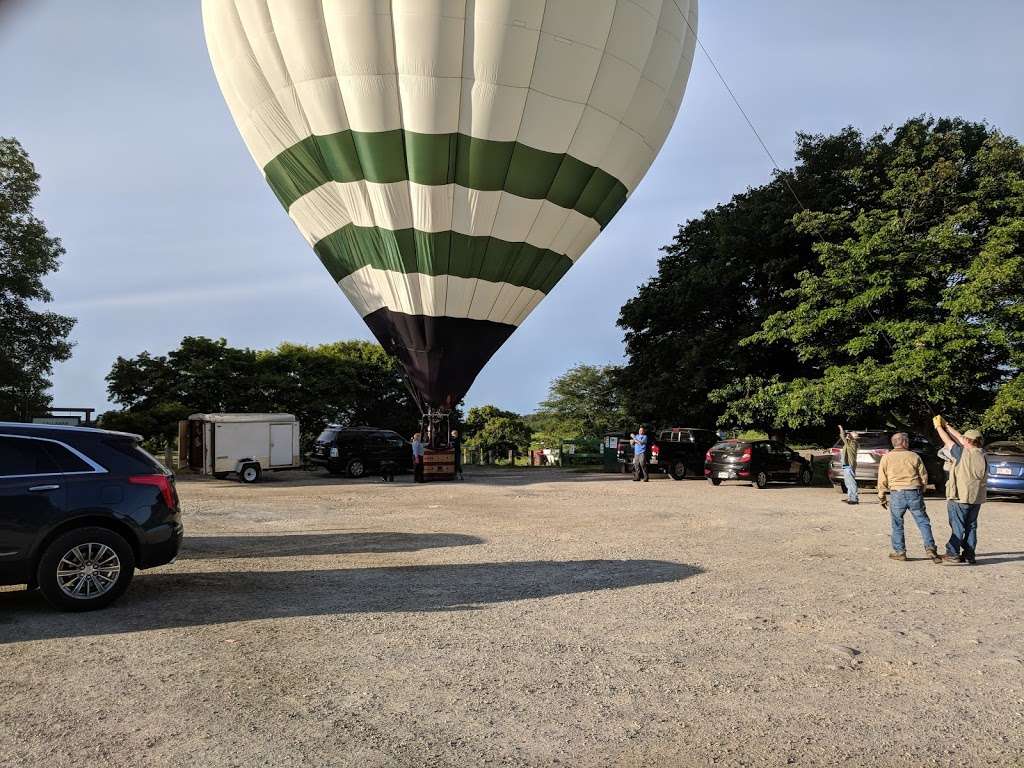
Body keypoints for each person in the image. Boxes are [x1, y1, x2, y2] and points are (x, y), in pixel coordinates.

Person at [877, 432, 942, 563]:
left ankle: (900, 552)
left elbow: (882, 478)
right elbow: (923, 475)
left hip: (897, 493)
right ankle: (930, 548)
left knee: (897, 523)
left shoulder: (886, 457)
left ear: (893, 443)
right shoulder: (914, 456)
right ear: (905, 442)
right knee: (923, 521)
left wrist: (882, 496)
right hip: (914, 491)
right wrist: (922, 489)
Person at [933, 416, 987, 565]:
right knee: (971, 526)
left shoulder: (962, 453)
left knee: (957, 526)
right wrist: (947, 426)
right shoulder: (982, 453)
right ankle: (970, 555)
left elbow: (948, 441)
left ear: (968, 441)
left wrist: (938, 427)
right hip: (976, 498)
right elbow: (961, 438)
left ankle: (952, 553)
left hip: (960, 497)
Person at [838, 425, 859, 504]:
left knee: (851, 482)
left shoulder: (852, 443)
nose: (848, 435)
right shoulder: (850, 443)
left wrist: (841, 428)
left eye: (849, 435)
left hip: (849, 465)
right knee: (848, 482)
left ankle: (854, 498)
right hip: (847, 464)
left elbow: (842, 436)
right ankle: (850, 497)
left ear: (852, 437)